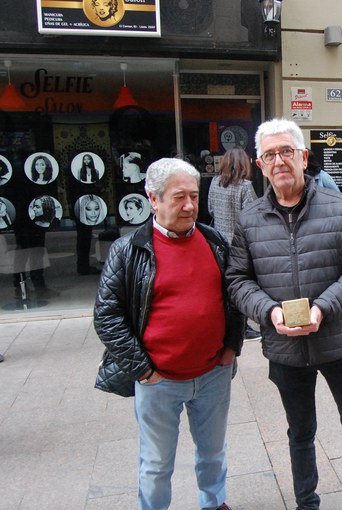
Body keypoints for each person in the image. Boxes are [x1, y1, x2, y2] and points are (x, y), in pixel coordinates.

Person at [226, 118, 342, 510]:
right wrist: (269, 312)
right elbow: (237, 280)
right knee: (300, 434)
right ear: (260, 164)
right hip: (285, 349)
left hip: (339, 343)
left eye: (286, 152)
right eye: (270, 155)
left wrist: (324, 308)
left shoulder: (339, 206)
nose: (279, 161)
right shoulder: (249, 220)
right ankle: (306, 503)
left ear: (303, 157)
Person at [93, 157, 244, 510]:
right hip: (158, 380)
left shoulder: (214, 241)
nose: (190, 205)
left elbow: (234, 297)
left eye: (194, 195)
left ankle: (214, 501)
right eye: (179, 197)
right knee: (157, 463)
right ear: (153, 198)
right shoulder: (128, 250)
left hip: (212, 374)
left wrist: (231, 349)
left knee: (213, 452)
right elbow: (107, 316)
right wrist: (144, 370)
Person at [208, 147, 260, 340]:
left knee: (224, 285)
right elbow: (252, 215)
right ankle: (242, 327)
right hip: (239, 244)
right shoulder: (245, 186)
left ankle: (225, 324)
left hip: (218, 241)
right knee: (241, 285)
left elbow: (210, 209)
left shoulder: (215, 182)